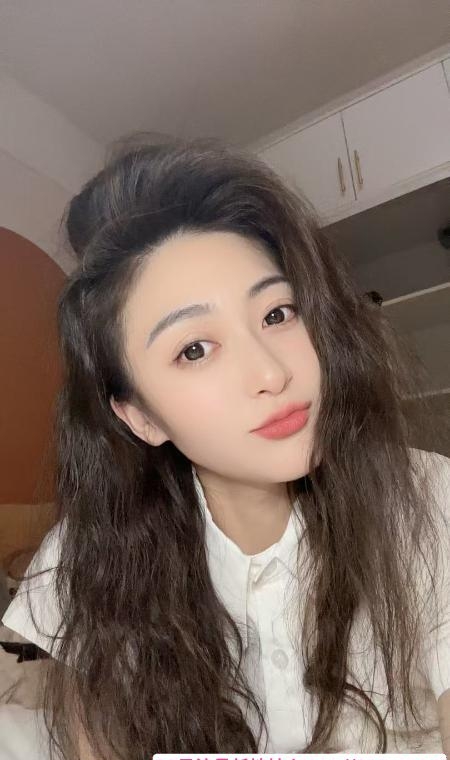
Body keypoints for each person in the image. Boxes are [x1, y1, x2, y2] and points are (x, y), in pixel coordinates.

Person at [2, 134, 449, 760]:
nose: (272, 371)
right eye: (194, 349)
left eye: (277, 313)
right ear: (140, 417)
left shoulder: (425, 495)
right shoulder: (87, 555)